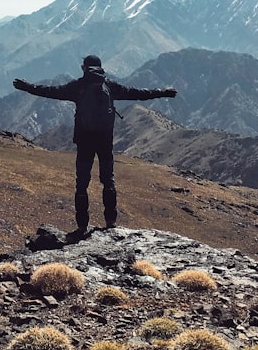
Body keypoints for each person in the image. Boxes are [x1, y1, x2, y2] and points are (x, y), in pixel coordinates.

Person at [12, 54, 177, 234]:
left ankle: (82, 225)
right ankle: (110, 222)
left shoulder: (77, 86)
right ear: (100, 67)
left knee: (82, 183)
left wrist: (27, 87)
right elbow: (138, 93)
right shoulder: (109, 86)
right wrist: (163, 92)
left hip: (84, 141)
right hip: (105, 141)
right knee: (108, 180)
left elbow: (49, 91)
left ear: (84, 68)